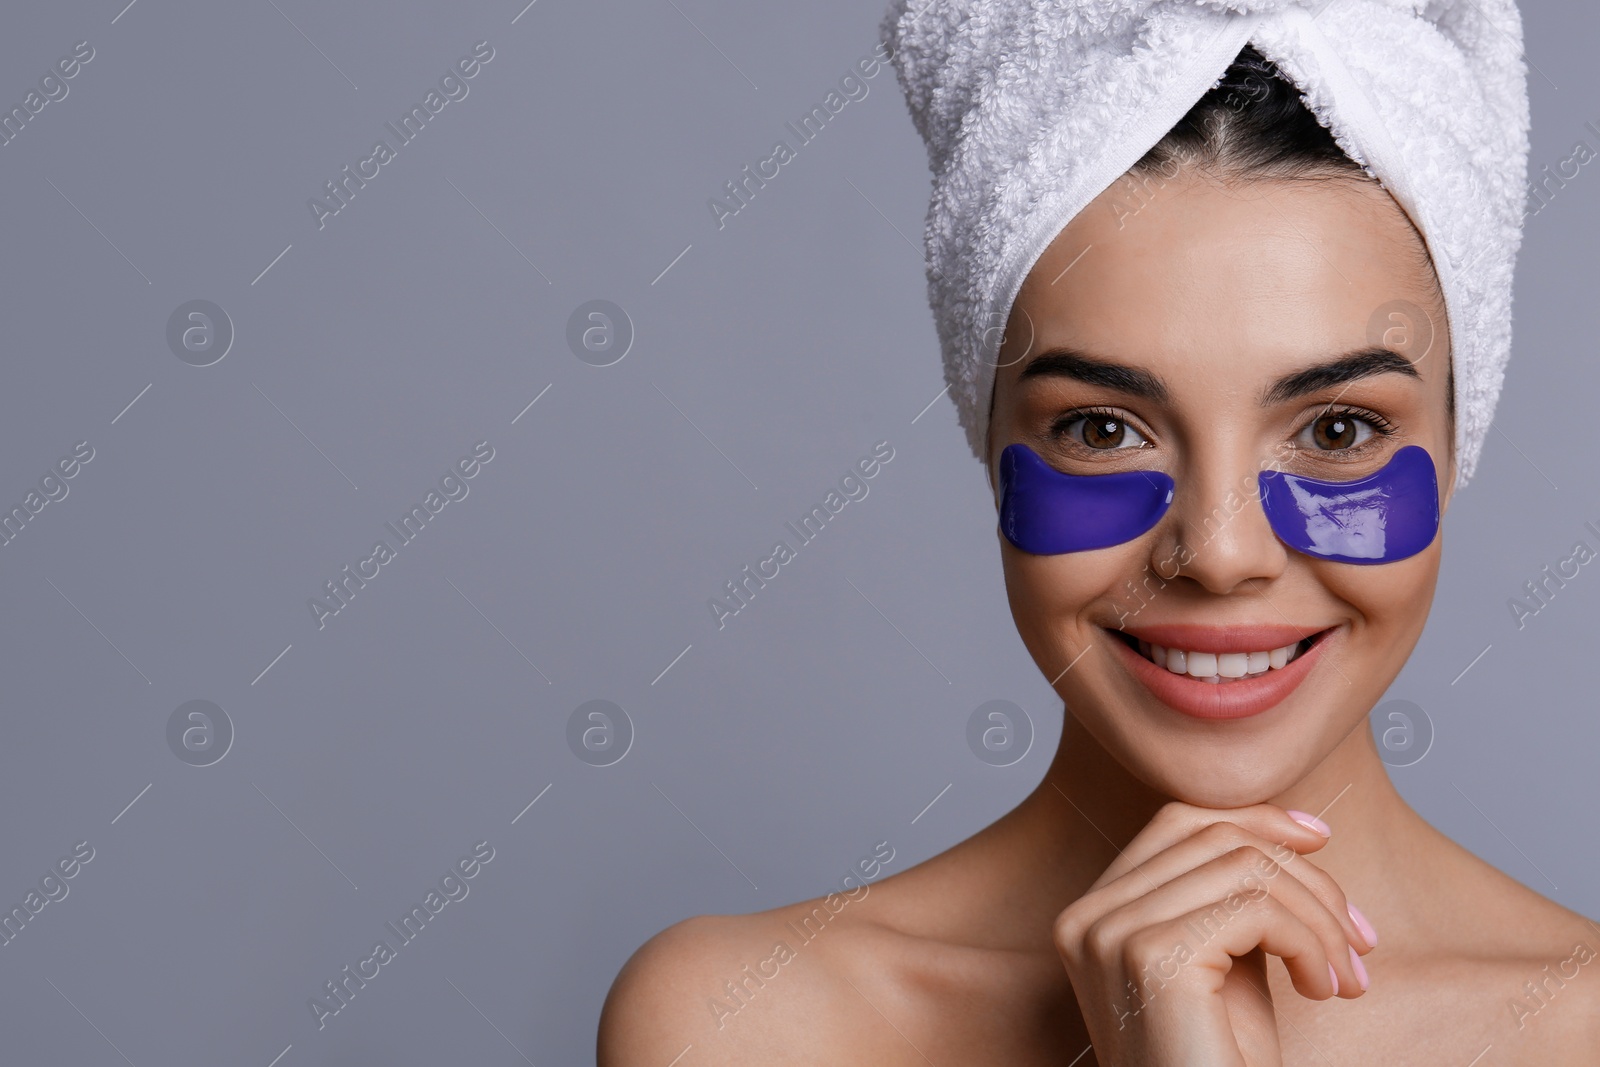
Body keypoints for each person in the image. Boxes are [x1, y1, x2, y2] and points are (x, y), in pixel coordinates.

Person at [597, 31, 1599, 1067]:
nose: (1217, 554)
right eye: (1102, 428)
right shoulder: (745, 1023)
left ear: (1452, 447)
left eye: (1336, 430)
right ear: (989, 447)